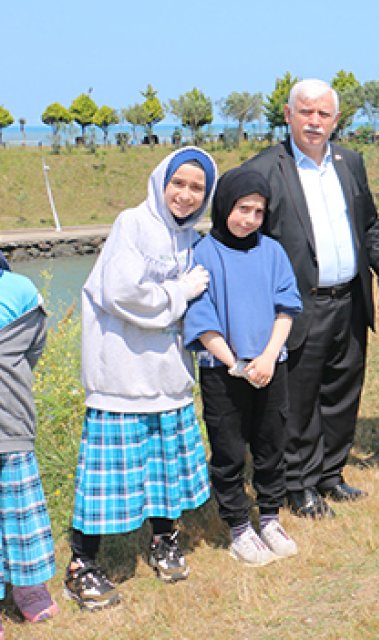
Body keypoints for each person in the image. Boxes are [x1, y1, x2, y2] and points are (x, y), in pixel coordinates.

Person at [241, 79, 379, 518]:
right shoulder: (264, 169)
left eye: (323, 115)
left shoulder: (349, 162)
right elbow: (247, 242)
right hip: (299, 305)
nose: (315, 122)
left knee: (341, 389)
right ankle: (298, 484)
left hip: (350, 299)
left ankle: (331, 474)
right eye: (306, 112)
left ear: (336, 120)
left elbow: (369, 227)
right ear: (288, 114)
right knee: (299, 398)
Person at [66, 147, 217, 609]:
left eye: (198, 188)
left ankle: (164, 540)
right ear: (160, 181)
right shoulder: (132, 224)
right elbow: (121, 293)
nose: (187, 195)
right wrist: (181, 290)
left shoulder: (190, 238)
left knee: (164, 467)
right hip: (122, 372)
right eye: (179, 183)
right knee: (107, 476)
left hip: (167, 374)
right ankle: (81, 564)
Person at [184, 167, 302, 567]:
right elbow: (201, 321)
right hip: (223, 371)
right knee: (229, 449)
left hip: (271, 366)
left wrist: (268, 357)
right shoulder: (202, 254)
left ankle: (269, 516)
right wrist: (236, 363)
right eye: (241, 209)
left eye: (257, 211)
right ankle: (237, 524)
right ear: (223, 206)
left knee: (271, 444)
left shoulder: (272, 251)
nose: (249, 219)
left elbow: (287, 308)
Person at [0, 256, 59, 629]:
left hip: (11, 420)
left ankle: (27, 582)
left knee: (20, 509)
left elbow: (33, 349)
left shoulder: (20, 289)